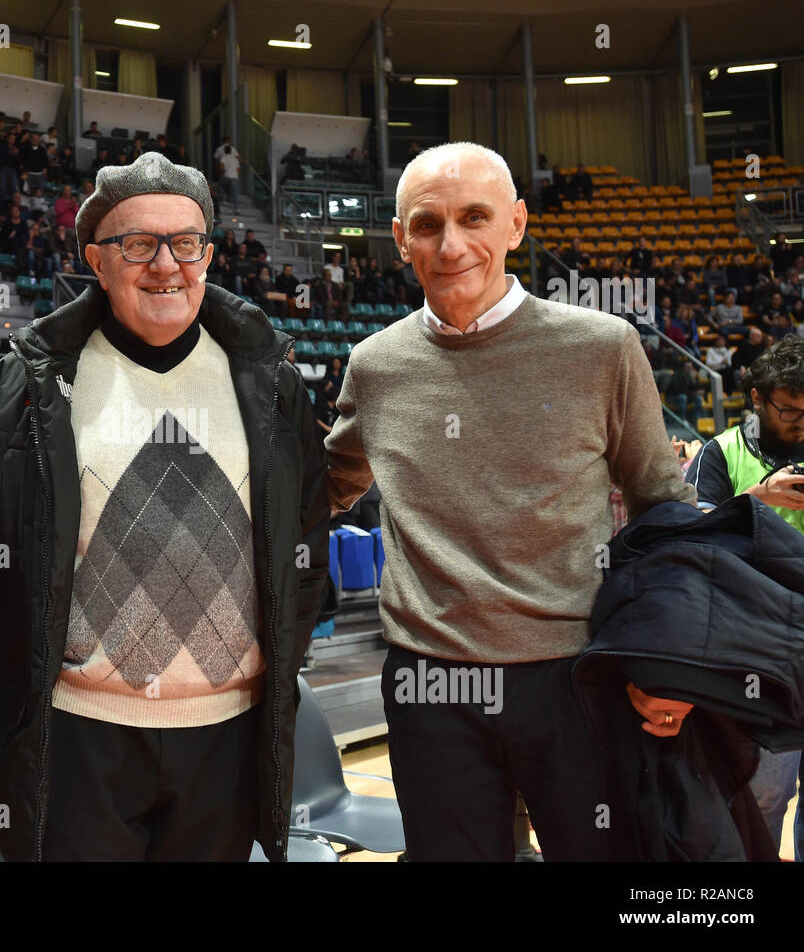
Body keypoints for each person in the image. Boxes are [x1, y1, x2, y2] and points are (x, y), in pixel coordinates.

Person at [325, 142, 697, 861]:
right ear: (401, 240)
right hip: (429, 680)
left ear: (517, 225)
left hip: (575, 675)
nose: (452, 243)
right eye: (427, 224)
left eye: (474, 217)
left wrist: (670, 663)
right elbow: (326, 486)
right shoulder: (375, 365)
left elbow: (665, 509)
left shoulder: (602, 347)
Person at [0, 150, 328, 862]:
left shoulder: (271, 381)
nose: (166, 264)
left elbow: (306, 539)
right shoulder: (31, 381)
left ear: (207, 253)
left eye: (185, 243)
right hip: (79, 735)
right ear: (95, 260)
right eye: (138, 244)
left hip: (229, 734)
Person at [684, 336, 804, 857]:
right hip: (757, 645)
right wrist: (755, 499)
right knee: (765, 792)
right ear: (756, 399)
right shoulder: (720, 452)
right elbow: (692, 534)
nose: (802, 421)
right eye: (790, 411)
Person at [217, 143, 240, 212]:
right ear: (231, 151)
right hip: (235, 177)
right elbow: (238, 169)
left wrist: (220, 175)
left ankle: (223, 200)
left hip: (227, 176)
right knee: (234, 192)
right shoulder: (235, 159)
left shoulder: (224, 157)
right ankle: (237, 208)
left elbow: (221, 168)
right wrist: (236, 177)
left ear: (224, 151)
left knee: (220, 185)